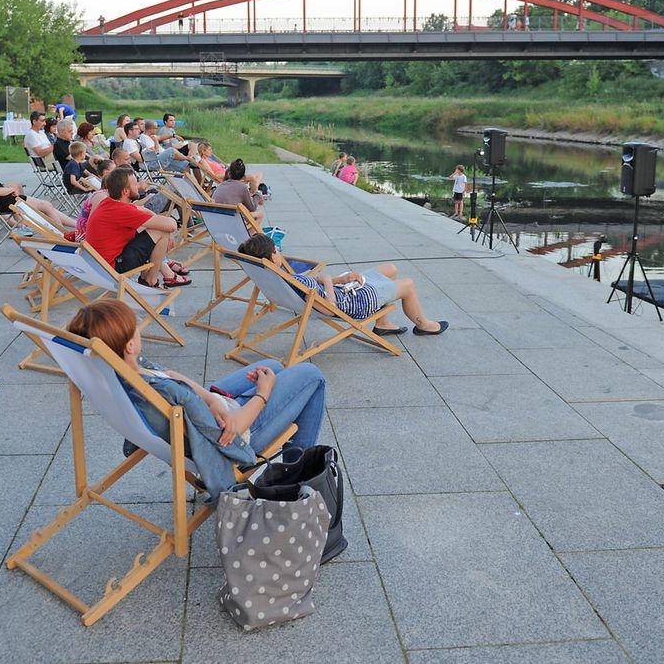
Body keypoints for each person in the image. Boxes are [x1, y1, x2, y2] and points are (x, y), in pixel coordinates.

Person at [68, 298, 325, 500]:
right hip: (235, 436)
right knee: (312, 375)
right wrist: (263, 393)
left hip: (207, 413)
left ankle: (253, 399)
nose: (139, 331)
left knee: (271, 365)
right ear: (130, 346)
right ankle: (296, 477)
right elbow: (229, 436)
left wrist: (212, 401)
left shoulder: (123, 373)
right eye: (136, 328)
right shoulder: (163, 392)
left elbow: (171, 376)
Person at [238, 232, 448, 336]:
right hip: (353, 303)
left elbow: (317, 282)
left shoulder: (279, 277)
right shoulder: (292, 281)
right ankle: (424, 325)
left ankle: (383, 324)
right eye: (275, 250)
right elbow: (331, 307)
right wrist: (329, 281)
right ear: (270, 258)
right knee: (408, 284)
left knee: (390, 269)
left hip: (344, 290)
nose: (279, 252)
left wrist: (340, 279)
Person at [84, 167, 189, 288]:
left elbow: (141, 209)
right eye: (135, 184)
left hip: (98, 264)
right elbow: (171, 225)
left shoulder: (108, 203)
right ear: (126, 192)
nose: (139, 186)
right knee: (160, 231)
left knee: (146, 229)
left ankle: (148, 276)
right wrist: (169, 230)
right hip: (112, 266)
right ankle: (150, 280)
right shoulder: (122, 210)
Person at [0, 131, 76, 229]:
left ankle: (74, 225)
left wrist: (10, 188)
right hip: (1, 202)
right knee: (46, 205)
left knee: (44, 206)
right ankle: (62, 235)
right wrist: (11, 189)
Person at [212, 159, 266, 224]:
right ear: (243, 176)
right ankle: (244, 234)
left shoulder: (221, 185)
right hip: (232, 223)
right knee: (260, 214)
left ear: (229, 174)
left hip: (216, 221)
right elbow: (252, 208)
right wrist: (258, 194)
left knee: (243, 210)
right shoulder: (242, 187)